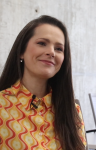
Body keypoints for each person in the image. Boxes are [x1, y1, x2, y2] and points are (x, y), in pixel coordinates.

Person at [0, 15, 86, 150]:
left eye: (59, 49)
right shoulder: (2, 107)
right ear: (21, 51)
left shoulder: (72, 111)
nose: (51, 52)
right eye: (42, 43)